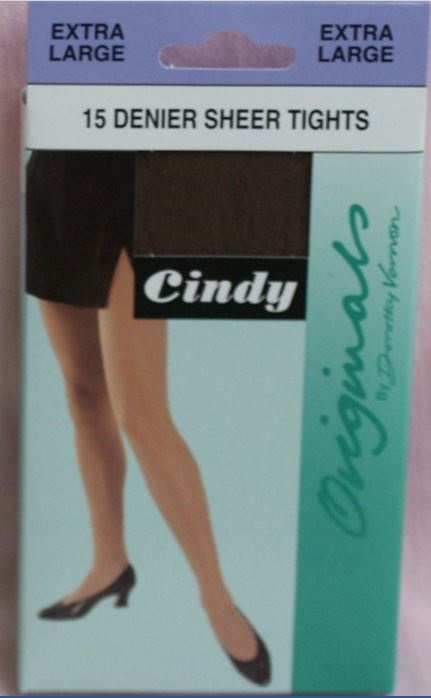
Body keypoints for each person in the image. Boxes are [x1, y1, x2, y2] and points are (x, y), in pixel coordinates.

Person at [26, 150, 272, 687]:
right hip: (57, 173)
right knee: (83, 395)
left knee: (141, 415)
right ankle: (109, 563)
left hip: (134, 175)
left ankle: (216, 598)